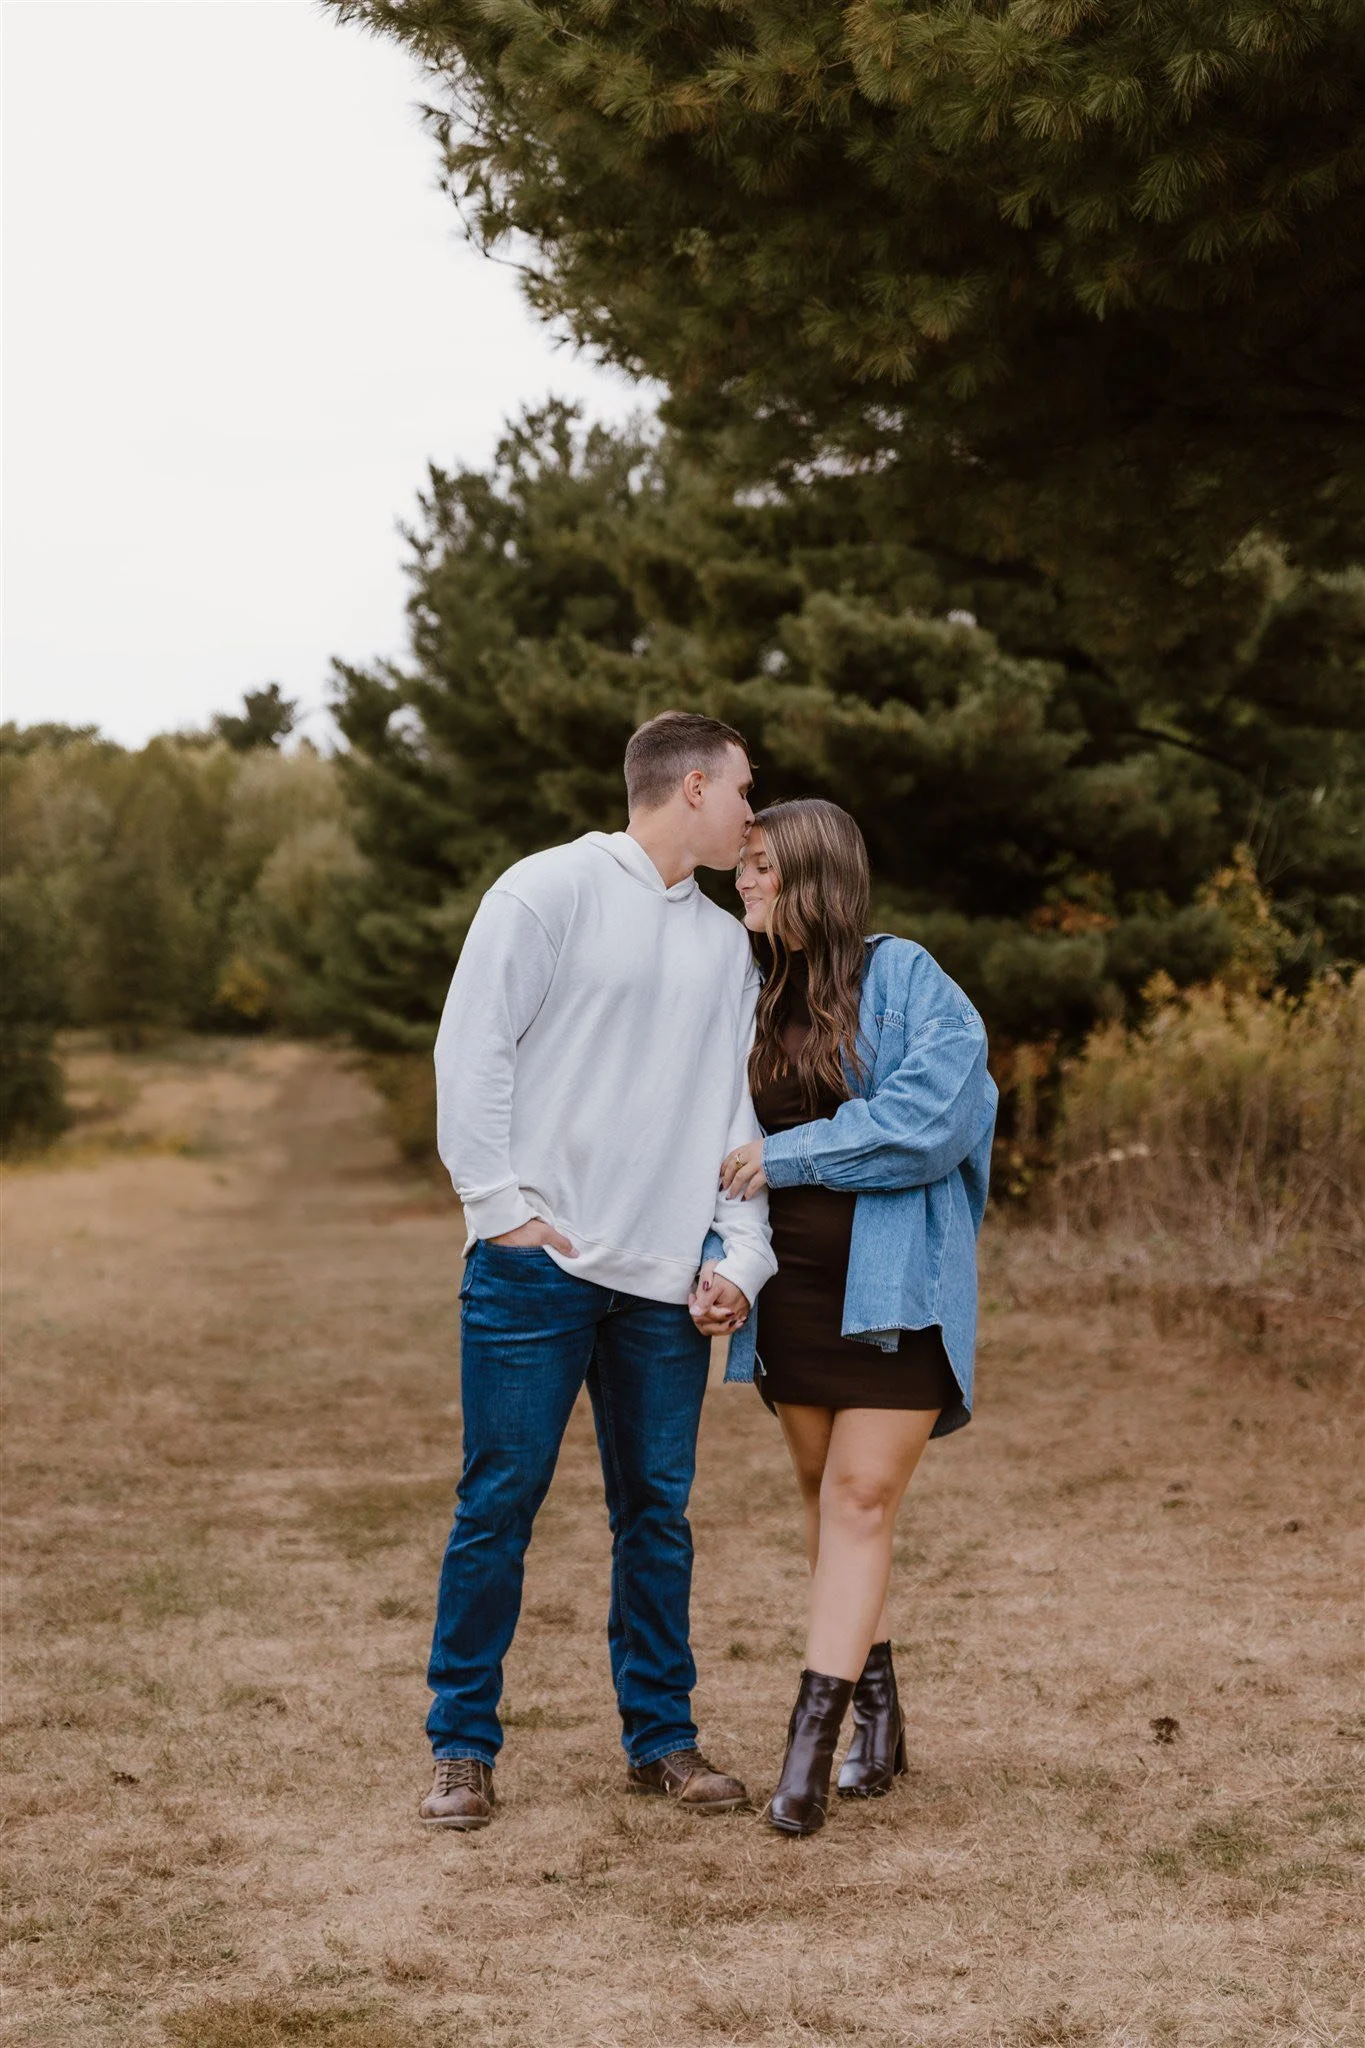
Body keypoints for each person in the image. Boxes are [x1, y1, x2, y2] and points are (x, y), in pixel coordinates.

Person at [419, 712, 777, 1830]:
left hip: (664, 1281)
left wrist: (738, 1254)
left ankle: (661, 1739)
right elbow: (470, 1049)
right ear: (693, 785)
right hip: (538, 1270)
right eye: (744, 789)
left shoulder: (726, 946)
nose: (753, 813)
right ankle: (461, 1746)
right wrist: (500, 1212)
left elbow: (735, 1113)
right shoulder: (547, 890)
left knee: (656, 1515)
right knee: (499, 1503)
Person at [718, 798, 997, 1837]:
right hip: (789, 1293)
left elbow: (929, 1122)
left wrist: (788, 1154)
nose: (743, 880)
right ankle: (880, 1714)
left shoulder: (908, 979)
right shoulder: (748, 991)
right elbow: (711, 1138)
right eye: (742, 864)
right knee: (822, 1496)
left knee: (861, 1497)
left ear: (813, 875)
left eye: (761, 865)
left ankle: (808, 1752)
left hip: (896, 1296)